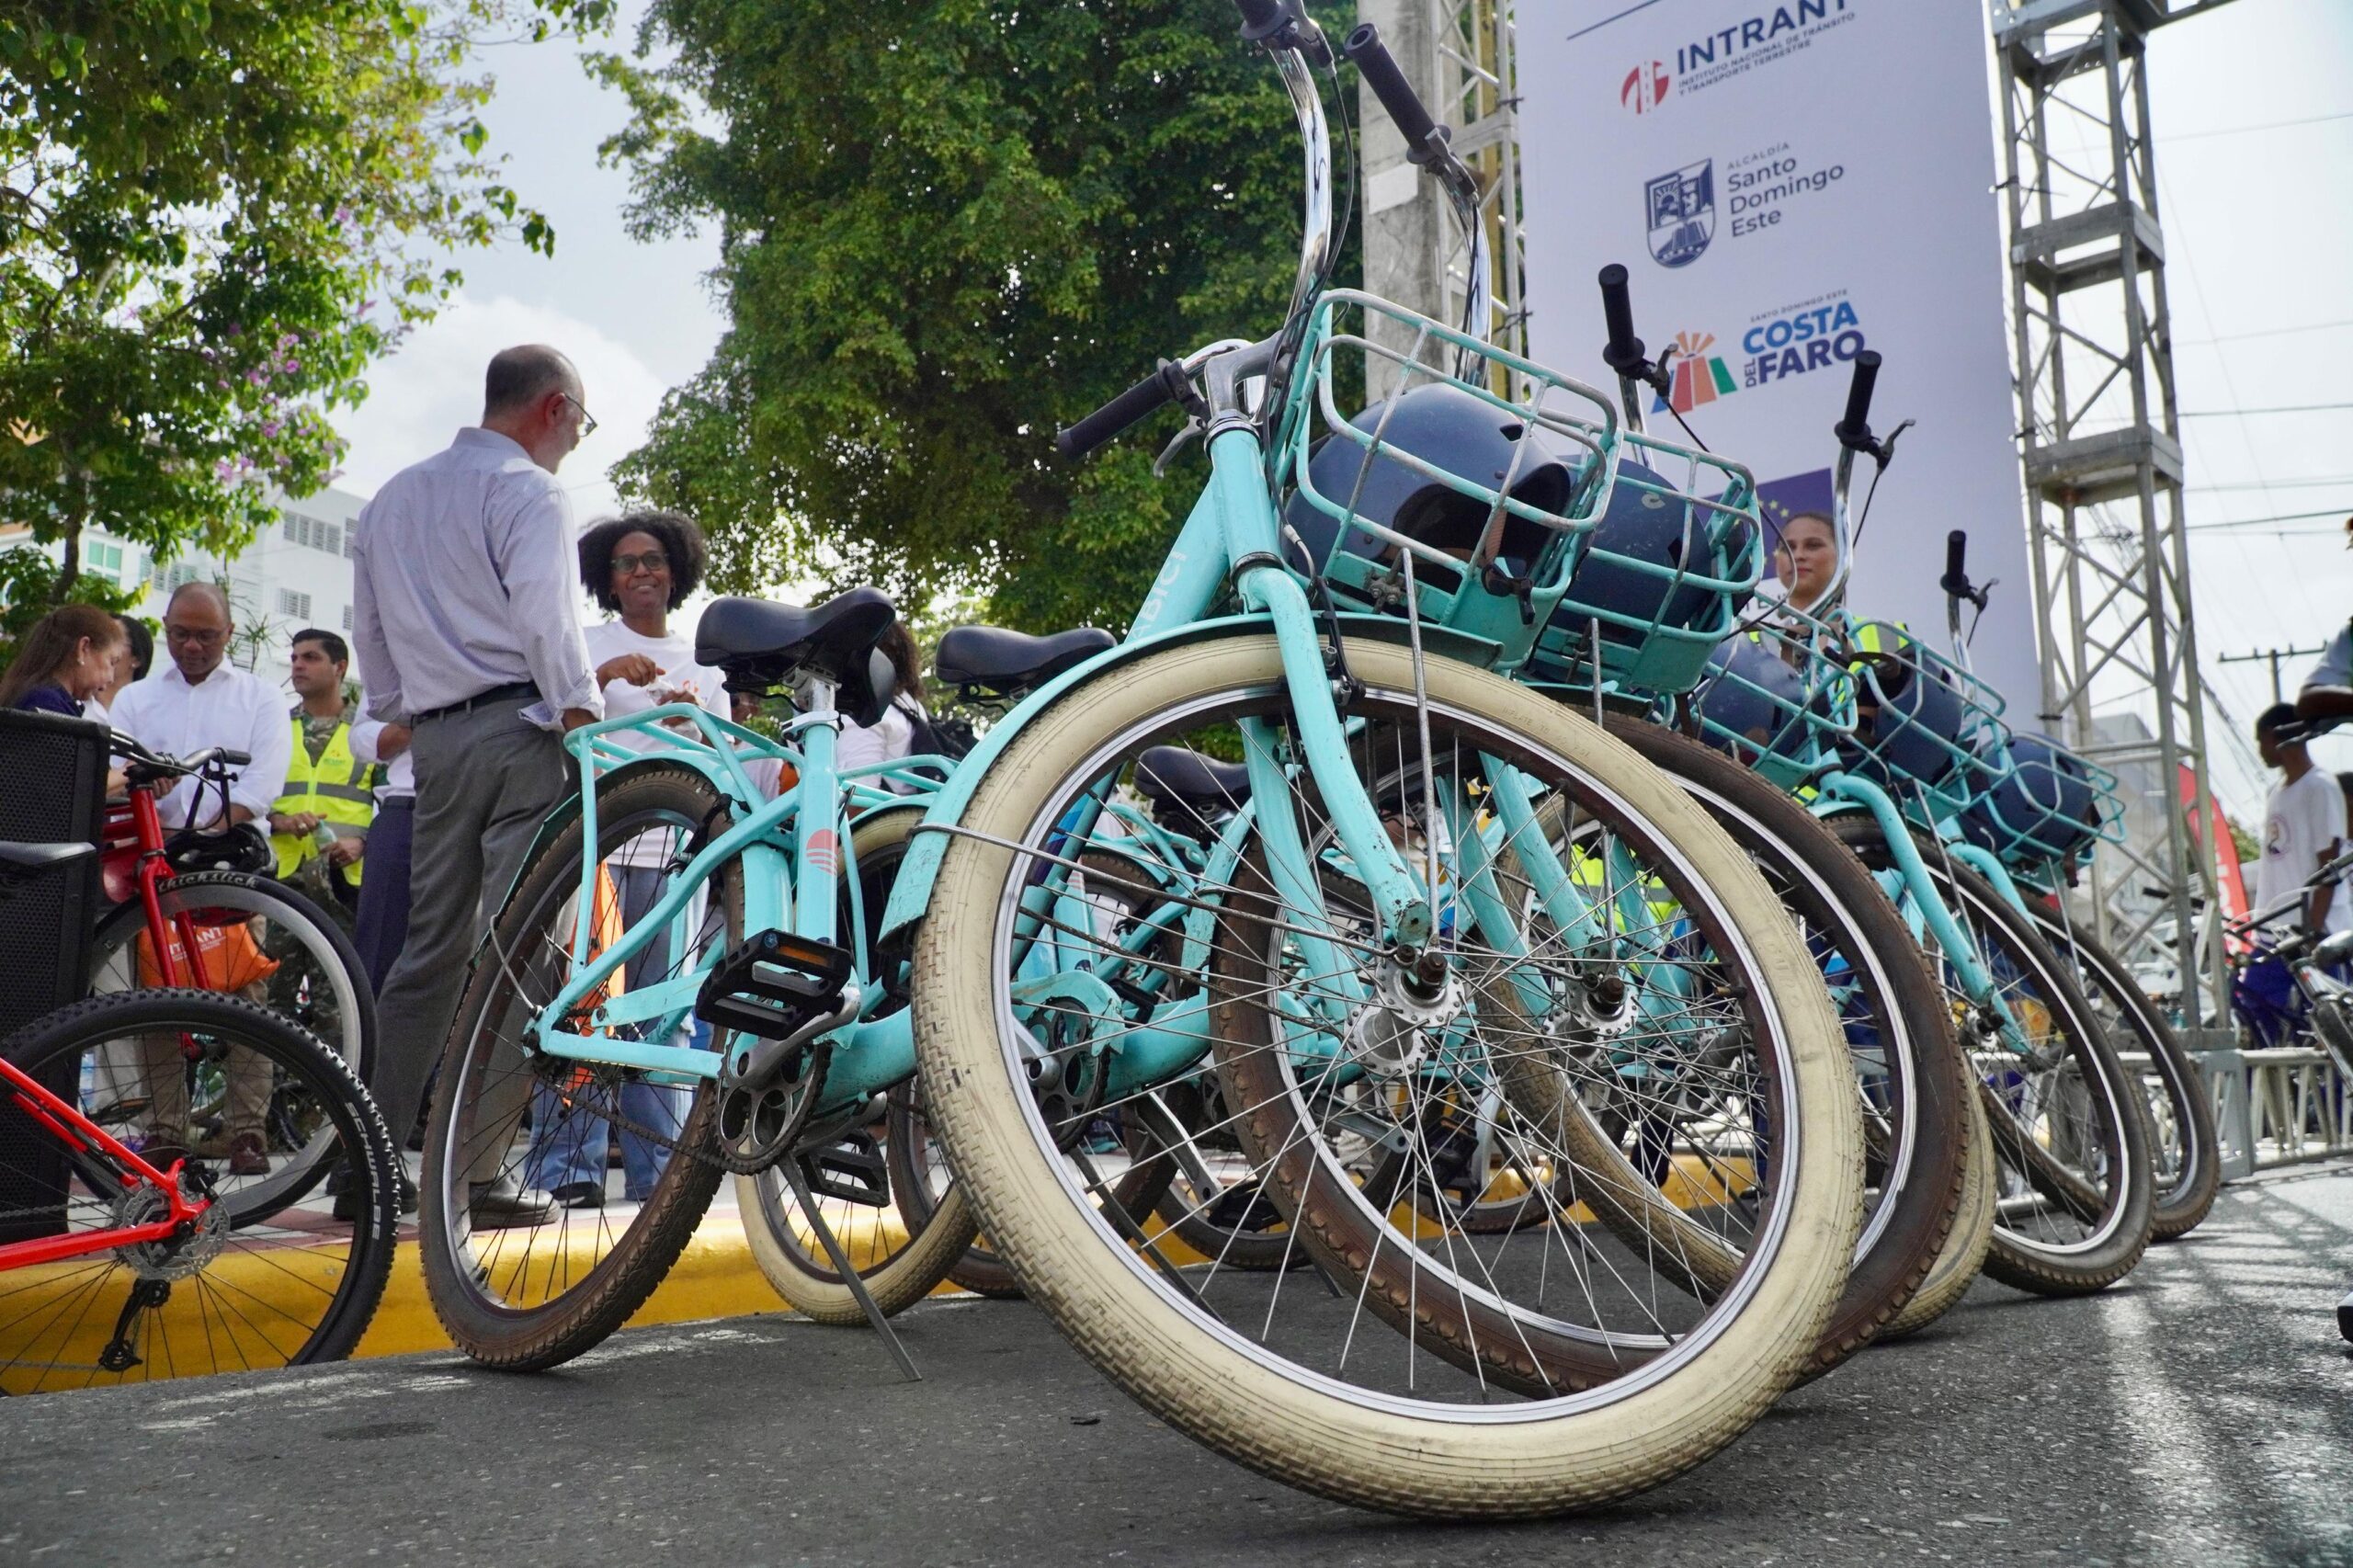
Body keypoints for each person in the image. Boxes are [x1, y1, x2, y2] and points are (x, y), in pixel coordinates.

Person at [349, 343, 602, 1227]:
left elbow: (369, 636)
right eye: (581, 424)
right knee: (522, 952)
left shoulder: (390, 500)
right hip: (525, 729)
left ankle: (370, 1161)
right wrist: (583, 717)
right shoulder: (529, 489)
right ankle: (475, 1172)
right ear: (556, 408)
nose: (575, 442)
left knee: (429, 954)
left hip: (437, 743)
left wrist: (408, 708)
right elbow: (544, 614)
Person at [524, 509, 726, 1210]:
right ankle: (564, 1168)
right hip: (597, 848)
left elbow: (726, 757)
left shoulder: (705, 662)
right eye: (625, 563)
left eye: (653, 560)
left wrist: (693, 726)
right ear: (606, 579)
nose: (641, 572)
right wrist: (601, 673)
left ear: (676, 570)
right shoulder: (586, 643)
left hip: (674, 857)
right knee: (582, 1004)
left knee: (662, 1015)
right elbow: (547, 719)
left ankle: (655, 1175)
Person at [108, 581, 294, 1176]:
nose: (191, 646)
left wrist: (214, 826)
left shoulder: (260, 698)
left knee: (245, 996)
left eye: (206, 636)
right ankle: (165, 1131)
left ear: (229, 635)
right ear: (164, 627)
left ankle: (247, 1134)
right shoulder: (135, 700)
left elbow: (265, 782)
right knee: (154, 1000)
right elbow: (117, 774)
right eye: (181, 633)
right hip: (153, 867)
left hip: (230, 865)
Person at [267, 629, 375, 915]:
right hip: (282, 877)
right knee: (277, 962)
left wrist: (363, 842)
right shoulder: (275, 729)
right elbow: (251, 798)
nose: (298, 665)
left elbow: (396, 807)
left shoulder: (367, 734)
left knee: (344, 960)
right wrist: (280, 821)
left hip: (345, 881)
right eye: (294, 658)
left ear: (340, 667)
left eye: (311, 658)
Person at [347, 714, 415, 994]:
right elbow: (361, 738)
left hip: (491, 804)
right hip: (405, 808)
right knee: (377, 954)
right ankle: (366, 1035)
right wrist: (419, 727)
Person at [1, 604, 130, 718]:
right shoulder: (46, 704)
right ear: (83, 648)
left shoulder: (33, 693)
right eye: (112, 662)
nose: (111, 678)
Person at [1770, 510, 1839, 618]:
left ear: (1842, 554)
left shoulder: (1871, 629)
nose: (1798, 556)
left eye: (1813, 545)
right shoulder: (1746, 634)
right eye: (1788, 548)